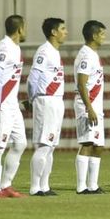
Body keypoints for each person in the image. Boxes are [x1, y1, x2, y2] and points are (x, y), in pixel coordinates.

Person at [0, 15, 27, 198]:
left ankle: (6, 184)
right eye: (25, 28)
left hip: (12, 105)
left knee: (20, 143)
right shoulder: (4, 47)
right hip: (1, 104)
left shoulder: (15, 48)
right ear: (19, 29)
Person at [27, 18, 68, 196]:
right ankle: (35, 187)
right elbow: (32, 78)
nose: (66, 32)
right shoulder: (44, 51)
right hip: (46, 100)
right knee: (44, 145)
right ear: (53, 32)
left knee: (50, 146)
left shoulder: (55, 52)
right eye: (63, 29)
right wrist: (32, 99)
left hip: (56, 100)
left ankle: (45, 185)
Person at [73, 20, 107, 195]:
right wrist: (89, 108)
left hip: (96, 106)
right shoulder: (86, 55)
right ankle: (81, 186)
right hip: (87, 106)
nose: (104, 37)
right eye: (102, 34)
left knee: (98, 145)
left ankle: (93, 185)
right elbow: (81, 84)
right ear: (94, 36)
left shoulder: (93, 54)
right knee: (87, 143)